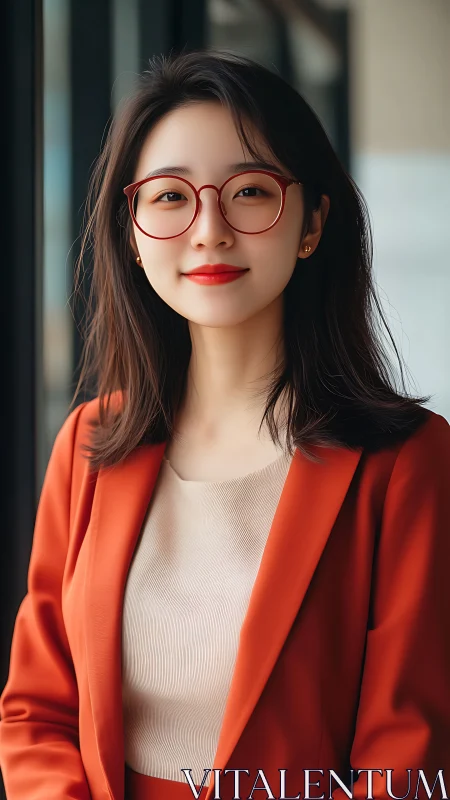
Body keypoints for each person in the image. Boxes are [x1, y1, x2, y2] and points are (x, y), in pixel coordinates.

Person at [1, 49, 450, 800]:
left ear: (311, 223)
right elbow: (37, 710)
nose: (209, 230)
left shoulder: (408, 463)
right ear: (132, 232)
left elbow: (405, 764)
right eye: (169, 197)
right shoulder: (89, 442)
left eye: (249, 191)